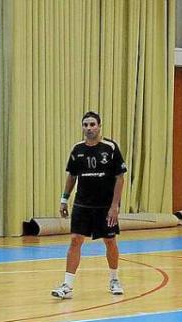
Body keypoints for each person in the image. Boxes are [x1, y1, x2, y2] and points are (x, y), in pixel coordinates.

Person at [51, 111, 127, 299]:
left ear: (99, 126)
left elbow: (120, 177)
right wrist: (64, 199)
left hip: (105, 206)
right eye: (85, 125)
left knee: (110, 241)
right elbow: (72, 176)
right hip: (82, 204)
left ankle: (114, 279)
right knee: (75, 240)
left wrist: (115, 206)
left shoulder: (110, 148)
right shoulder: (77, 149)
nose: (89, 128)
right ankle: (67, 285)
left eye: (92, 124)